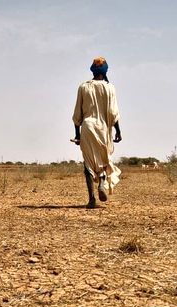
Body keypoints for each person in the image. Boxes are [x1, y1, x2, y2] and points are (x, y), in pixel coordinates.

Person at [72, 56, 122, 208]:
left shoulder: (83, 87)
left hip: (87, 127)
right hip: (103, 129)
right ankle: (102, 182)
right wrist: (118, 131)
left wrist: (77, 134)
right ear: (105, 71)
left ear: (92, 71)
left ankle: (91, 199)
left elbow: (77, 114)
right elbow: (113, 113)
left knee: (88, 164)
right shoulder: (110, 88)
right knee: (104, 160)